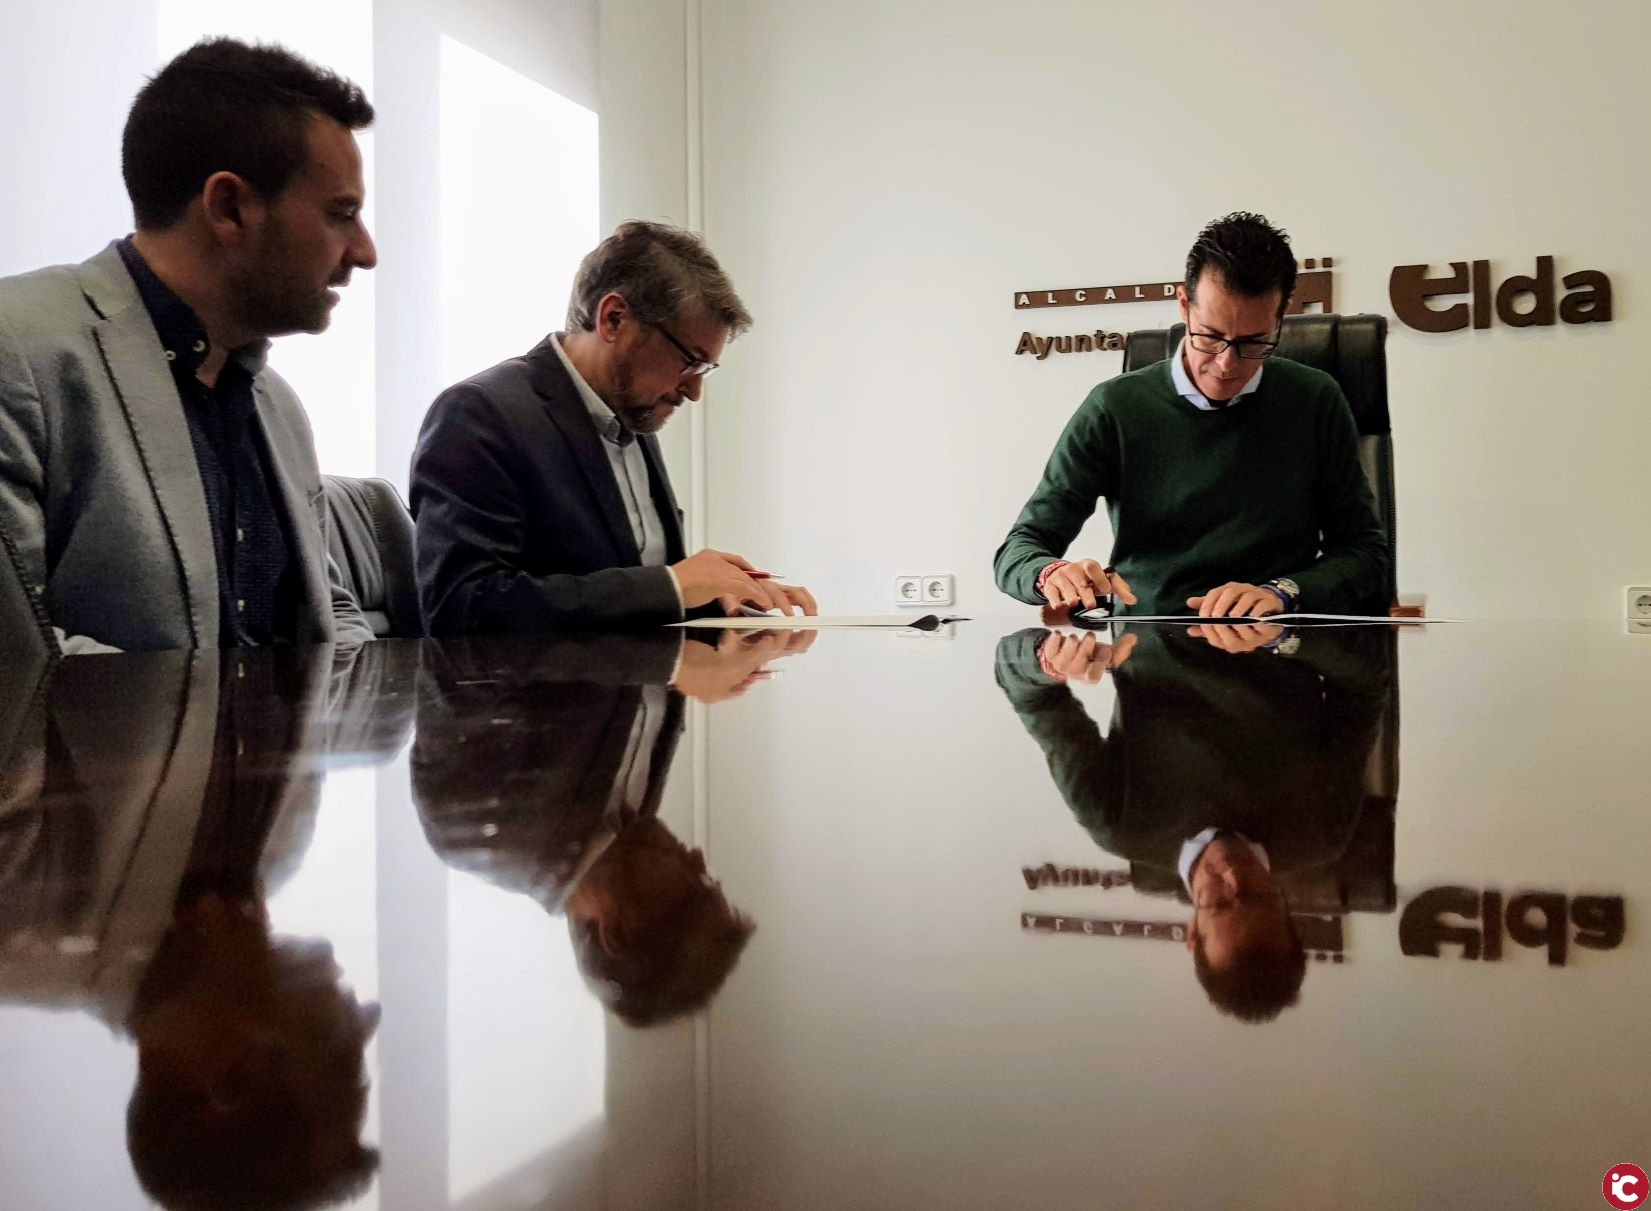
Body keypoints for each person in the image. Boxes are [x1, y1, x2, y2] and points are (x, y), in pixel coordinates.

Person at [0, 37, 378, 654]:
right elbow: (17, 655)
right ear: (229, 207)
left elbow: (330, 611)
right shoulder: (16, 350)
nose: (365, 252)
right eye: (342, 214)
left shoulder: (279, 406)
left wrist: (371, 699)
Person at [411, 221, 816, 634]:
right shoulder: (479, 414)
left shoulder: (633, 414)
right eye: (690, 361)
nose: (694, 391)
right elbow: (461, 608)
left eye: (705, 369)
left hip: (643, 673)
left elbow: (629, 590)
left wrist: (720, 597)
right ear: (614, 319)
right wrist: (672, 586)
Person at [994, 211, 1387, 619]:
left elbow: (1365, 552)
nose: (1226, 364)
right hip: (1149, 639)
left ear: (1281, 315)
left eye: (1254, 342)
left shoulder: (1315, 400)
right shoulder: (1113, 407)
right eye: (1210, 337)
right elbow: (1020, 549)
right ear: (1184, 305)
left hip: (1277, 638)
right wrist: (1051, 573)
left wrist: (1284, 591)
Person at [996, 621, 1394, 1021]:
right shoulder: (1320, 830)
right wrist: (1285, 636)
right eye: (1255, 894)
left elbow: (1026, 690)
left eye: (1219, 901)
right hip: (1282, 598)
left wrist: (1047, 660)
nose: (1233, 875)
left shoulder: (1117, 823)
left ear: (1192, 932)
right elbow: (1364, 686)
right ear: (1290, 915)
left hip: (1155, 605)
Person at [413, 629, 811, 1024]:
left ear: (617, 931)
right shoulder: (634, 821)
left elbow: (469, 635)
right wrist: (718, 627)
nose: (696, 856)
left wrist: (669, 651)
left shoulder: (473, 829)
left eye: (695, 889)